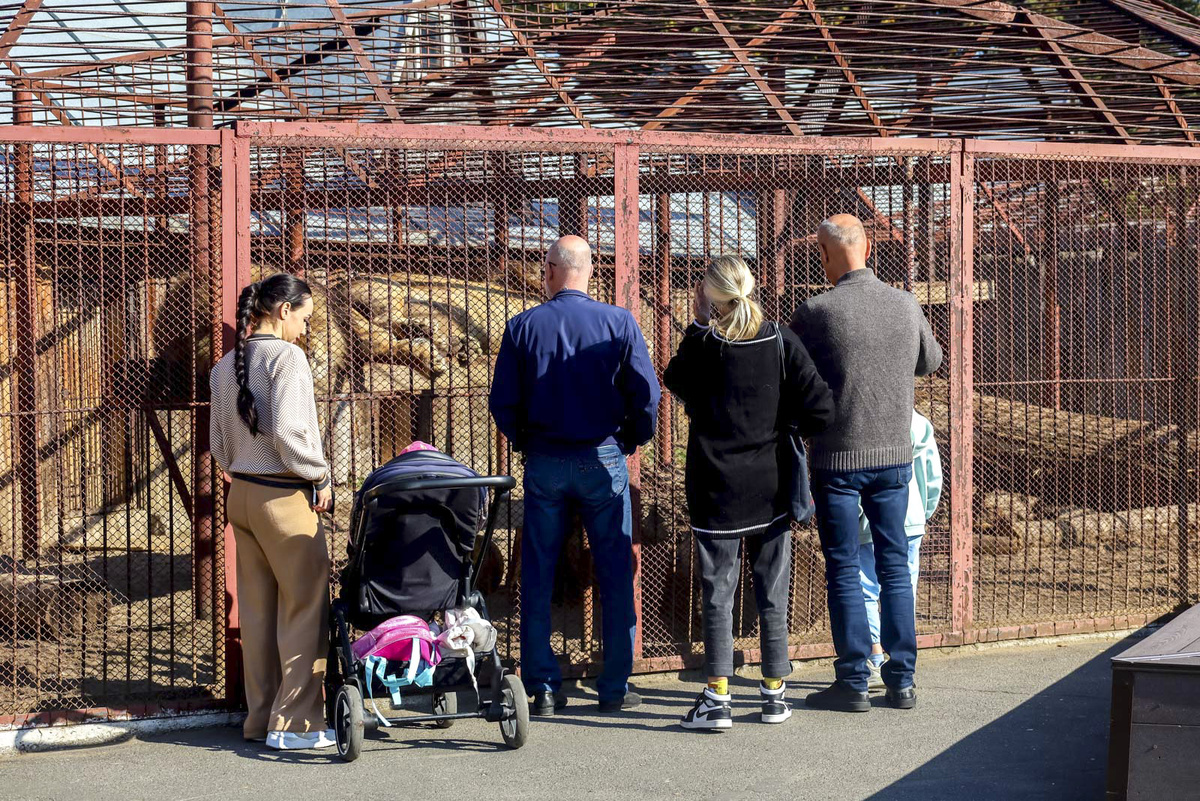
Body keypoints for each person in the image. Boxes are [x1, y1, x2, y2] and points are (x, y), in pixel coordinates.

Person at [489, 235, 660, 716]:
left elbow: (503, 401)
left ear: (549, 271)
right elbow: (647, 395)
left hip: (545, 459)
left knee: (538, 570)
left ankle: (541, 686)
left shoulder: (522, 326)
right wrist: (629, 438)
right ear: (590, 271)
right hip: (602, 456)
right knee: (613, 567)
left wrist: (525, 439)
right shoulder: (618, 322)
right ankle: (615, 685)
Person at [663, 256, 833, 731]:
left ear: (708, 297)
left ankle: (717, 698)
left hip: (715, 486)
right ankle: (775, 693)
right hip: (771, 484)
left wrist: (697, 325)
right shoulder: (780, 339)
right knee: (772, 589)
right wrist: (785, 427)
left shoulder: (705, 346)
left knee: (718, 591)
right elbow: (821, 407)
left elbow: (674, 379)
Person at [790, 214, 943, 712]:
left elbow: (793, 373)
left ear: (825, 255)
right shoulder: (904, 302)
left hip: (836, 457)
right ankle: (903, 680)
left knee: (842, 567)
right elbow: (930, 360)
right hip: (895, 456)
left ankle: (855, 678)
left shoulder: (816, 310)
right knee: (895, 564)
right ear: (870, 248)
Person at [210, 273, 335, 750]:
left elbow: (220, 446)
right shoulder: (288, 358)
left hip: (241, 494)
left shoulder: (225, 366)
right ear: (283, 311)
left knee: (259, 612)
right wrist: (318, 473)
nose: (305, 329)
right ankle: (297, 725)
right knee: (305, 608)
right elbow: (287, 432)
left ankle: (260, 719)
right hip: (284, 497)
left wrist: (245, 468)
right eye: (303, 318)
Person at [858, 409, 942, 689]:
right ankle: (900, 661)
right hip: (912, 519)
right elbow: (932, 475)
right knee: (904, 587)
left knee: (866, 587)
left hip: (869, 522)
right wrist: (925, 511)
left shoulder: (866, 418)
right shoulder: (919, 422)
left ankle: (874, 655)